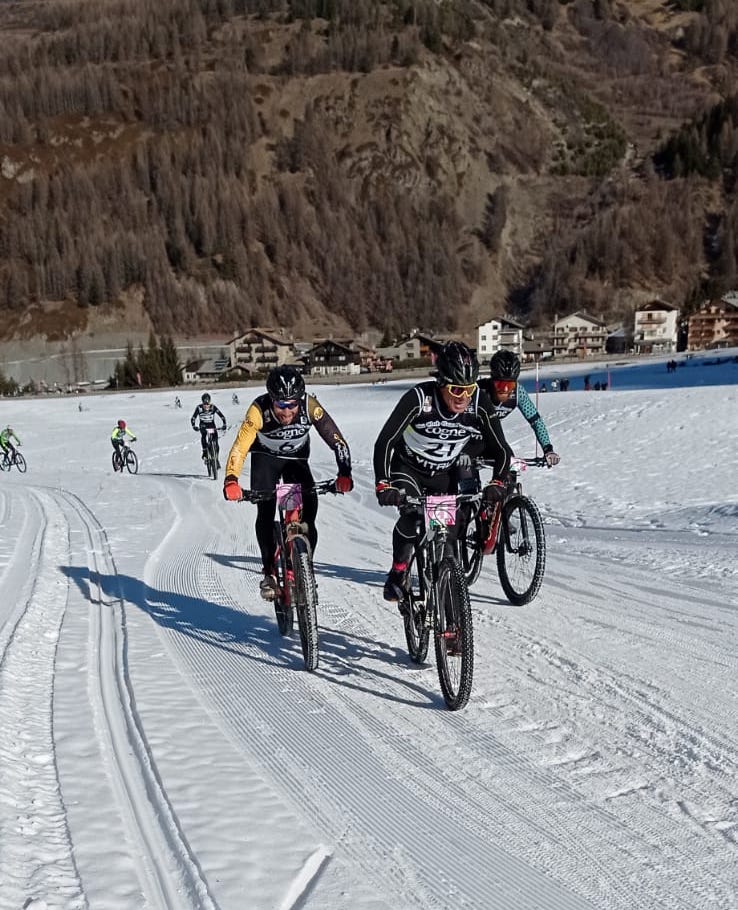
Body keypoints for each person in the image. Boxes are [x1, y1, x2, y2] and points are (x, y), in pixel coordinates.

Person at [373, 341, 513, 602]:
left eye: (469, 390)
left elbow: (501, 449)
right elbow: (386, 441)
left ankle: (448, 609)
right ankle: (398, 571)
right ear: (441, 384)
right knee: (414, 520)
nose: (463, 398)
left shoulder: (479, 402)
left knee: (450, 533)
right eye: (456, 390)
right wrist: (383, 484)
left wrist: (498, 481)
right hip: (409, 469)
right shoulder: (419, 398)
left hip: (445, 473)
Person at [222, 365, 353, 600]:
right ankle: (269, 572)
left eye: (292, 404)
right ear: (271, 399)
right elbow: (240, 448)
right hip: (266, 460)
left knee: (308, 515)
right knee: (266, 509)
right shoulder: (258, 410)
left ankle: (303, 567)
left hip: (296, 461)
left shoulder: (310, 406)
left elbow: (337, 441)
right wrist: (231, 479)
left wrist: (344, 472)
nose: (287, 410)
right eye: (281, 404)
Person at [477, 351, 560, 467]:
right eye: (500, 385)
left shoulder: (518, 392)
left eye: (510, 385)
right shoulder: (478, 390)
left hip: (493, 439)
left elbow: (536, 421)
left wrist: (548, 449)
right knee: (467, 480)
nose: (505, 390)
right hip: (466, 441)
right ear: (492, 380)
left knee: (511, 470)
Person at [191, 392, 227, 464]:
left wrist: (224, 424)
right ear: (202, 401)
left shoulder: (213, 407)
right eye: (205, 402)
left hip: (211, 425)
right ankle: (204, 451)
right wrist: (194, 426)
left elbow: (221, 416)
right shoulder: (199, 408)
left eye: (207, 401)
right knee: (203, 436)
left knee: (216, 442)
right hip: (203, 425)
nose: (206, 404)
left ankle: (216, 459)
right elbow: (193, 417)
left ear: (210, 401)